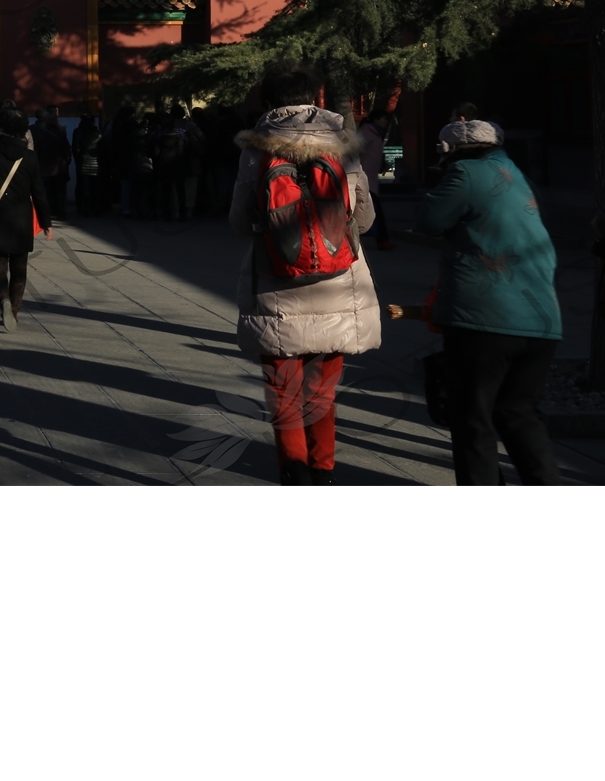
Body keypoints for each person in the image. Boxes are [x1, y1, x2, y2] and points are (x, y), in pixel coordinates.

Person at [230, 65, 381, 484]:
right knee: (321, 392)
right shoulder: (343, 146)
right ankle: (324, 474)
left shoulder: (256, 150)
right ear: (316, 98)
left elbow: (240, 223)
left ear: (268, 102)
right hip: (337, 287)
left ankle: (294, 475)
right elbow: (364, 220)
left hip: (276, 287)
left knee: (284, 395)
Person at [415, 119, 563, 486]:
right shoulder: (516, 173)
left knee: (472, 419)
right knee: (518, 413)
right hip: (541, 321)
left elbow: (430, 219)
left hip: (483, 319)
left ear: (450, 151)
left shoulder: (464, 172)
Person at [0, 106, 53, 331]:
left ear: (2, 127)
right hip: (21, 218)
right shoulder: (30, 157)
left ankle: (3, 300)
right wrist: (46, 222)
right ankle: (14, 311)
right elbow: (39, 192)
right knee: (19, 267)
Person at [358, 106, 396, 250]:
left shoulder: (374, 133)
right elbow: (356, 152)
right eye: (384, 119)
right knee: (376, 211)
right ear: (376, 119)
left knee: (373, 210)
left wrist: (383, 163)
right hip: (364, 178)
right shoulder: (367, 133)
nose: (386, 122)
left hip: (370, 178)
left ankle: (382, 239)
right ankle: (382, 240)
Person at [34, 108, 70, 216]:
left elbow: (37, 151)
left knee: (47, 193)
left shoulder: (41, 134)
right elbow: (67, 150)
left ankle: (47, 212)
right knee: (60, 192)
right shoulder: (61, 133)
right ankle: (60, 211)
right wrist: (66, 162)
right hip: (59, 168)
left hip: (44, 169)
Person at [72, 114, 102, 215]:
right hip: (96, 165)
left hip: (83, 164)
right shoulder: (98, 135)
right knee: (95, 188)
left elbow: (76, 149)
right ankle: (96, 208)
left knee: (84, 188)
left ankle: (84, 208)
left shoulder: (79, 133)